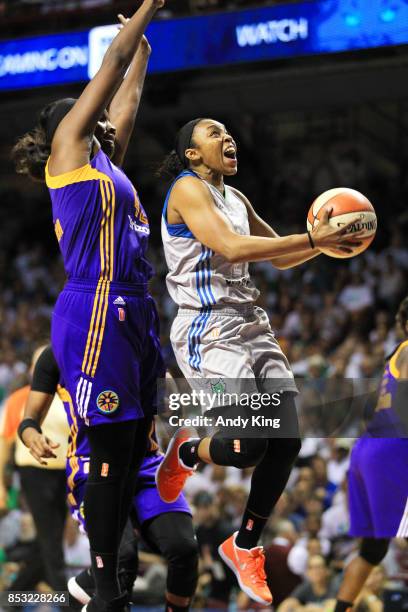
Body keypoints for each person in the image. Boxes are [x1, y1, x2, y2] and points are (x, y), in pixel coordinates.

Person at [156, 118, 363, 605]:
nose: (227, 137)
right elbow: (232, 247)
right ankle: (187, 451)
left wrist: (324, 242)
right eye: (213, 132)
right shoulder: (186, 190)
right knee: (249, 445)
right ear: (191, 154)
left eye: (228, 132)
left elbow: (279, 256)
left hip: (252, 323)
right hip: (208, 329)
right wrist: (314, 240)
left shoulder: (236, 197)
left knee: (287, 439)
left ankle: (245, 542)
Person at [12, 4, 166, 610]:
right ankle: (104, 587)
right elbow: (109, 66)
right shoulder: (68, 157)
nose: (101, 117)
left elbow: (125, 100)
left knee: (132, 442)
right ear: (65, 130)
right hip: (95, 303)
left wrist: (146, 50)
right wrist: (149, 5)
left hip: (132, 306)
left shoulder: (105, 164)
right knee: (107, 445)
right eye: (89, 114)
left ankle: (110, 580)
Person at [20, 344, 199, 612]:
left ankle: (80, 589)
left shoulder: (141, 344)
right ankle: (60, 593)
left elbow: (172, 405)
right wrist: (33, 436)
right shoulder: (58, 352)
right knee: (121, 562)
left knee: (184, 549)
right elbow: (28, 421)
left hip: (146, 464)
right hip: (92, 468)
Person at [333, 297, 408, 612]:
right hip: (392, 449)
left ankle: (341, 608)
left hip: (368, 449)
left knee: (373, 550)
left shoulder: (396, 355)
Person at [0, 345, 69, 594]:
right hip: (34, 472)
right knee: (51, 541)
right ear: (32, 368)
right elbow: (5, 442)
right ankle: (68, 603)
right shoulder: (20, 398)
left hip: (65, 473)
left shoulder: (67, 395)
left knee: (48, 539)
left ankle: (12, 596)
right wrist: (0, 484)